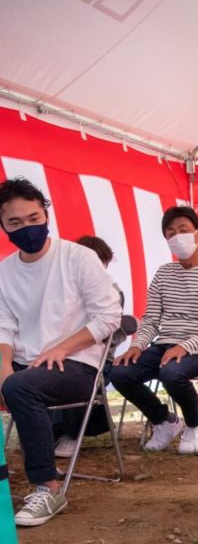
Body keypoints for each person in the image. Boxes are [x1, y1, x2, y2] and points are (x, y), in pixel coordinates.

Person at [0, 178, 121, 526]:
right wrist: (4, 366)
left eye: (34, 218)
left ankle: (48, 487)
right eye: (15, 223)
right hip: (25, 365)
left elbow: (109, 316)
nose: (27, 228)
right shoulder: (5, 271)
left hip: (77, 366)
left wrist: (62, 347)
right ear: (3, 227)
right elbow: (4, 325)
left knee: (21, 387)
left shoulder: (78, 257)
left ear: (46, 214)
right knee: (16, 382)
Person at [109, 206, 198, 455]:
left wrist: (185, 346)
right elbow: (151, 319)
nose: (177, 237)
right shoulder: (164, 273)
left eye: (183, 230)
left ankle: (196, 423)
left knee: (172, 372)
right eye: (171, 233)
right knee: (120, 372)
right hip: (164, 346)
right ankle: (164, 421)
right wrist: (136, 346)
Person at [52, 235, 125, 456]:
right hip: (60, 352)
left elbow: (105, 333)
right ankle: (50, 433)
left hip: (95, 357)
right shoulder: (60, 289)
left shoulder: (112, 292)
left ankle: (72, 434)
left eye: (102, 263)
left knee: (71, 369)